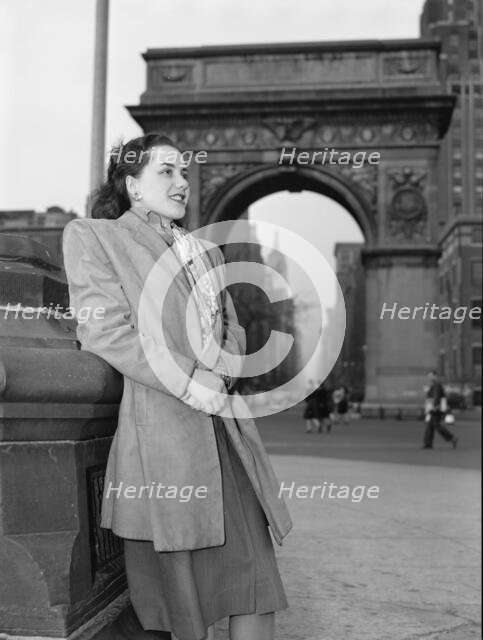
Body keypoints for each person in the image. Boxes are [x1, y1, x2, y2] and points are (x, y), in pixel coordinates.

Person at [62, 133, 292, 640]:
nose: (182, 183)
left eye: (185, 173)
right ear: (132, 185)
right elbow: (103, 329)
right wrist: (191, 379)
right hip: (163, 442)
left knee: (256, 580)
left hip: (226, 436)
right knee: (180, 602)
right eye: (166, 171)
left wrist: (223, 366)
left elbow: (232, 326)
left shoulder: (204, 250)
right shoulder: (94, 237)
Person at [422, 371, 458, 449]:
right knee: (430, 426)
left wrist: (434, 406)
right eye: (428, 376)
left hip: (436, 408)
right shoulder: (435, 385)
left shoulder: (436, 385)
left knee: (436, 425)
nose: (429, 378)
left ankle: (452, 438)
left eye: (430, 376)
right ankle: (428, 443)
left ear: (435, 376)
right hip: (436, 407)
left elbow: (436, 396)